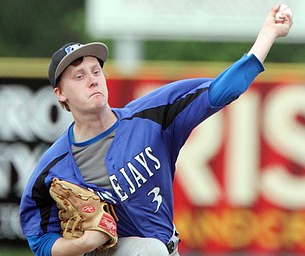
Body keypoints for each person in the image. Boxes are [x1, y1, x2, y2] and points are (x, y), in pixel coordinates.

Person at [19, 4, 293, 256]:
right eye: (79, 76)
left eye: (95, 71)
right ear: (60, 94)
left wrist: (267, 34)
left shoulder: (150, 117)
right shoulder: (54, 166)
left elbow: (221, 91)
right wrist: (84, 243)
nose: (92, 80)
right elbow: (39, 240)